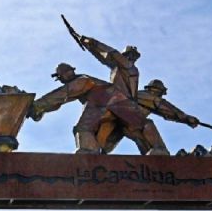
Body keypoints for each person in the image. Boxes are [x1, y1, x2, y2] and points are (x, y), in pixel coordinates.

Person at [31, 63, 165, 155]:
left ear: (68, 73)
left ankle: (89, 152)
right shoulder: (85, 82)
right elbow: (60, 101)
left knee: (84, 129)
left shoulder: (82, 81)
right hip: (117, 102)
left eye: (62, 76)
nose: (62, 79)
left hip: (102, 102)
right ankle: (157, 150)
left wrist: (37, 106)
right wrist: (41, 110)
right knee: (138, 126)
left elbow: (63, 94)